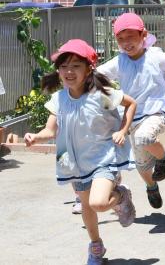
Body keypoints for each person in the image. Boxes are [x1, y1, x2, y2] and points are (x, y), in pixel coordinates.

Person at [24, 39, 137, 264]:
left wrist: (123, 130)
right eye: (64, 66)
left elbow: (130, 103)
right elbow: (50, 129)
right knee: (86, 206)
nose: (68, 71)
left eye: (76, 65)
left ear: (89, 69)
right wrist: (36, 136)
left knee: (98, 203)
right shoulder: (59, 99)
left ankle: (122, 196)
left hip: (105, 158)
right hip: (77, 163)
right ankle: (96, 247)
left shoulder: (100, 95)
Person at [97, 13, 165, 209]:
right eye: (121, 39)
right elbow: (95, 75)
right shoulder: (119, 61)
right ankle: (151, 185)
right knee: (141, 164)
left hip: (158, 110)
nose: (126, 43)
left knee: (144, 137)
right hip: (132, 116)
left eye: (131, 37)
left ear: (143, 35)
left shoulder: (155, 56)